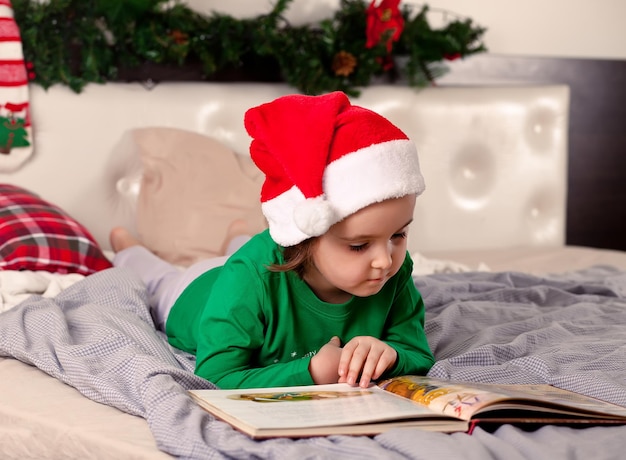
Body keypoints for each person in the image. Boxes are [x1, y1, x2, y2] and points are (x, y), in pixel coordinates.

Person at [111, 91, 435, 390]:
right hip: (197, 291)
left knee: (248, 253)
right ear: (305, 235)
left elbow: (416, 350)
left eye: (399, 234)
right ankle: (127, 245)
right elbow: (217, 377)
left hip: (256, 269)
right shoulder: (247, 279)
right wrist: (310, 372)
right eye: (359, 245)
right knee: (162, 277)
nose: (385, 259)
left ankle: (237, 235)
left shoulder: (393, 267)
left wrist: (392, 354)